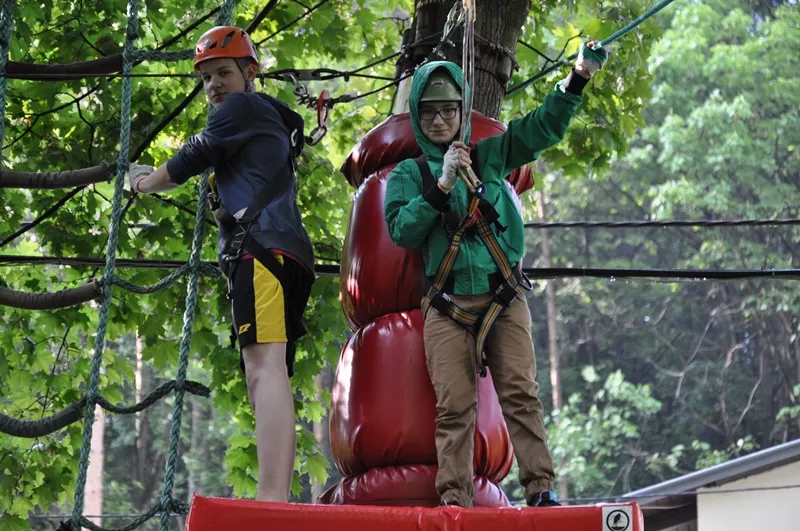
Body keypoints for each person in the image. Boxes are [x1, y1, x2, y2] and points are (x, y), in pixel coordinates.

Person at [384, 42, 609, 508]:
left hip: (502, 296)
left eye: (449, 110)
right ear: (417, 116)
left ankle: (541, 488)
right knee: (454, 407)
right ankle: (455, 501)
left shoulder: (489, 157)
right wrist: (443, 184)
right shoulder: (408, 174)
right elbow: (402, 231)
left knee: (521, 395)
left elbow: (540, 129)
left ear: (462, 111)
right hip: (447, 307)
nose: (440, 121)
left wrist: (578, 78)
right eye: (429, 113)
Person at [127, 26, 315, 502]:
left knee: (264, 370)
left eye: (224, 73)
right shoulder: (265, 120)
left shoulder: (242, 108)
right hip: (281, 253)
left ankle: (272, 499)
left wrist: (144, 183)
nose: (214, 85)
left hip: (261, 253)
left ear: (250, 73)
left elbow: (193, 154)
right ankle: (277, 494)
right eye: (207, 77)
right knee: (267, 373)